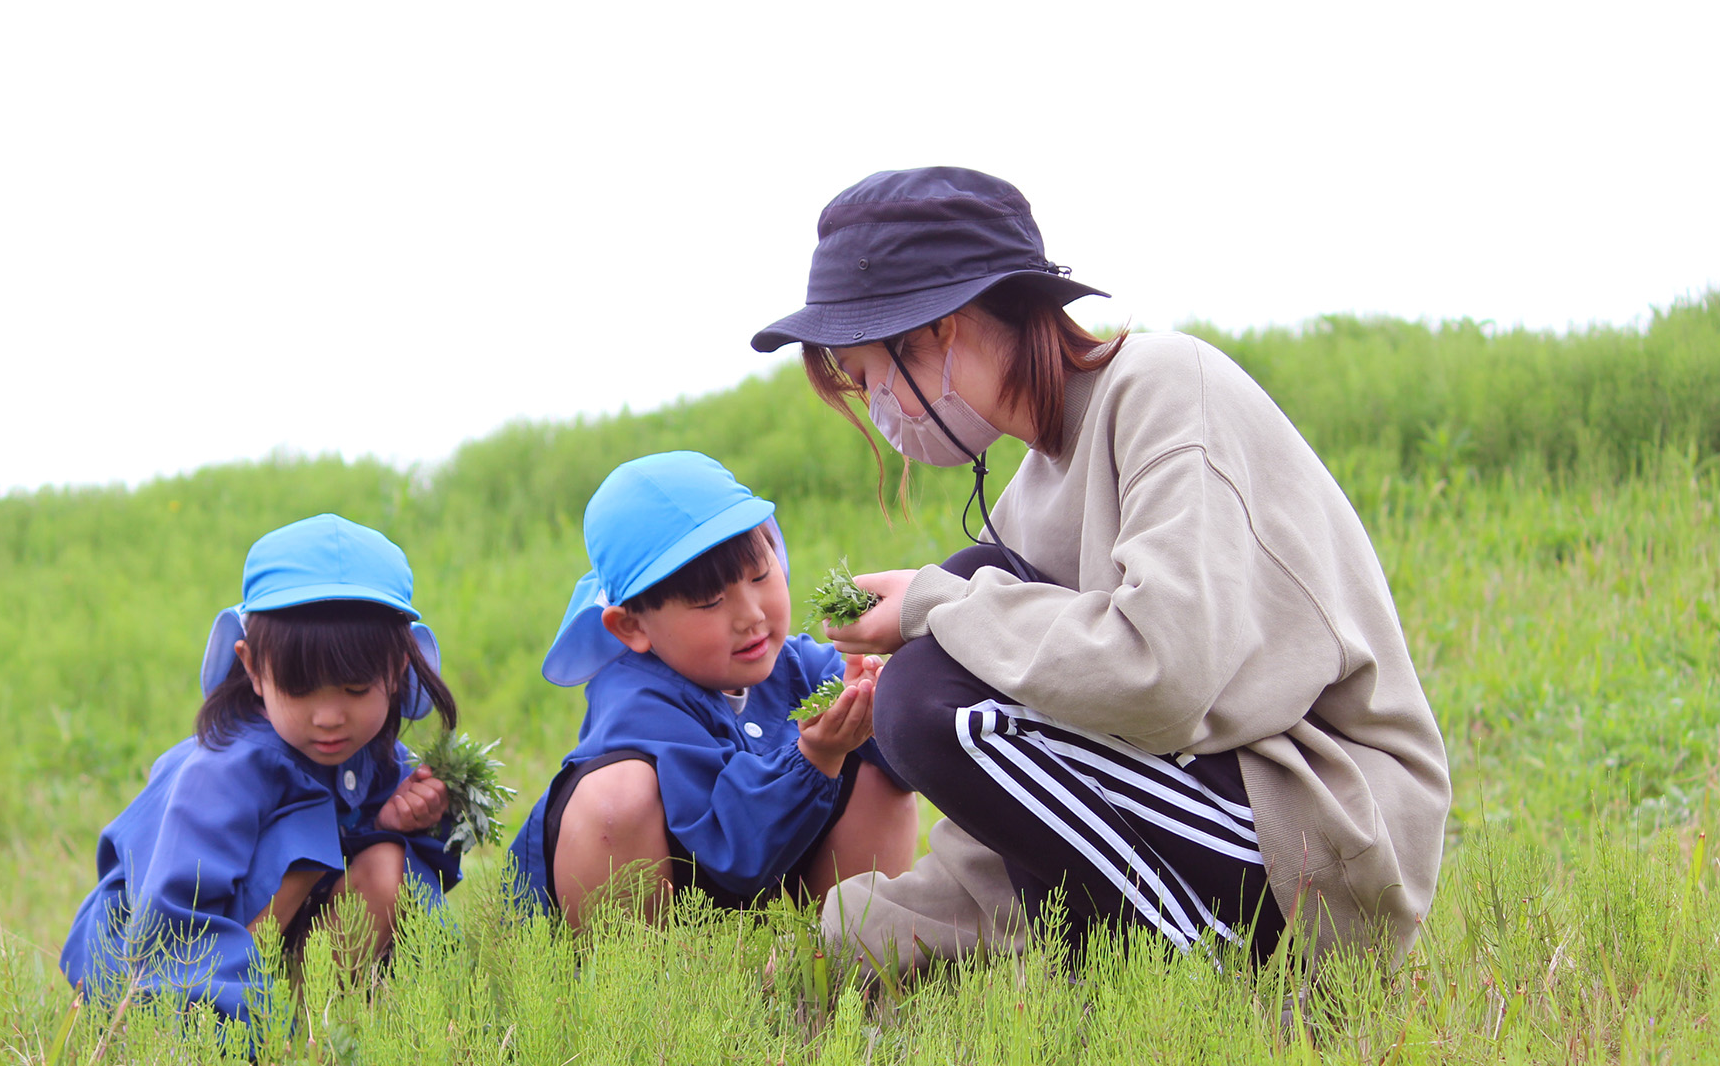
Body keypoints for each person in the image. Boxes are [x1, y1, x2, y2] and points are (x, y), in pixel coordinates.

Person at [750, 167, 1450, 975]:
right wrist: (837, 950)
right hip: (1215, 813)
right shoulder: (1029, 498)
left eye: (871, 373)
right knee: (952, 641)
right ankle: (1123, 980)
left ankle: (1204, 991)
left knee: (929, 687)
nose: (876, 405)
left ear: (936, 332)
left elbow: (1162, 676)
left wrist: (933, 604)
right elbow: (1014, 834)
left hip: (1329, 834)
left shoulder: (1164, 391)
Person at [62, 513, 459, 1022]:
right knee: (303, 857)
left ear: (397, 670)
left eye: (356, 690)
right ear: (252, 667)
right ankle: (244, 1047)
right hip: (154, 974)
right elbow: (174, 924)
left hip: (257, 948)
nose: (329, 718)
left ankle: (313, 1035)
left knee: (386, 862)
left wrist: (393, 823)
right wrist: (235, 1039)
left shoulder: (369, 752)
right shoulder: (222, 773)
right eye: (299, 690)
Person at [507, 451, 917, 925]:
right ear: (632, 627)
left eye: (760, 575)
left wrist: (886, 693)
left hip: (755, 903)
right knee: (615, 799)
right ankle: (639, 991)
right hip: (678, 913)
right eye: (710, 601)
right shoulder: (638, 701)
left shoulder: (796, 664)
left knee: (876, 756)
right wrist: (817, 757)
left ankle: (839, 969)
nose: (751, 615)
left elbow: (915, 764)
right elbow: (731, 852)